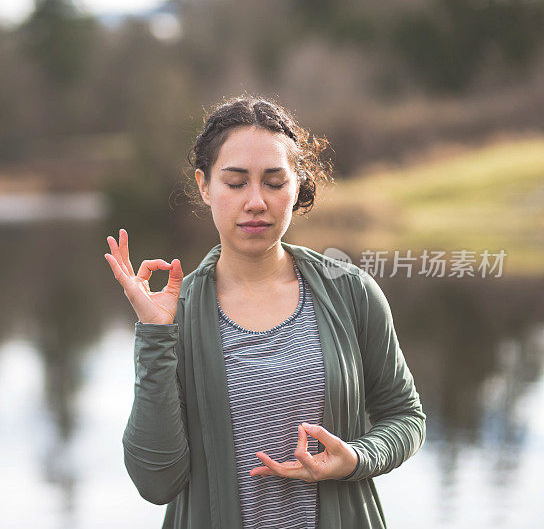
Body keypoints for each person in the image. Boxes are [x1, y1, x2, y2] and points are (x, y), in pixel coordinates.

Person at [103, 95, 426, 529]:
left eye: (274, 182)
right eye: (235, 183)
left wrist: (356, 458)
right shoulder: (175, 313)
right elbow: (156, 481)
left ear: (296, 185)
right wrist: (155, 334)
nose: (256, 201)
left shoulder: (352, 293)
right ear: (204, 185)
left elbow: (406, 417)